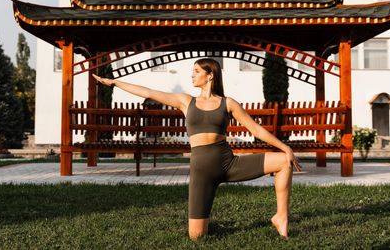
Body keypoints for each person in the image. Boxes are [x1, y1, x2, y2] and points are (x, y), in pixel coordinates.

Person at [92, 58, 301, 240]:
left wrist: (285, 147)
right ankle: (208, 224)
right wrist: (115, 83)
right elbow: (148, 92)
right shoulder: (185, 101)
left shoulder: (228, 103)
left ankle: (280, 216)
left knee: (284, 161)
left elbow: (255, 129)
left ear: (210, 75)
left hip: (229, 164)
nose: (192, 75)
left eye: (197, 71)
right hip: (202, 173)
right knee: (197, 237)